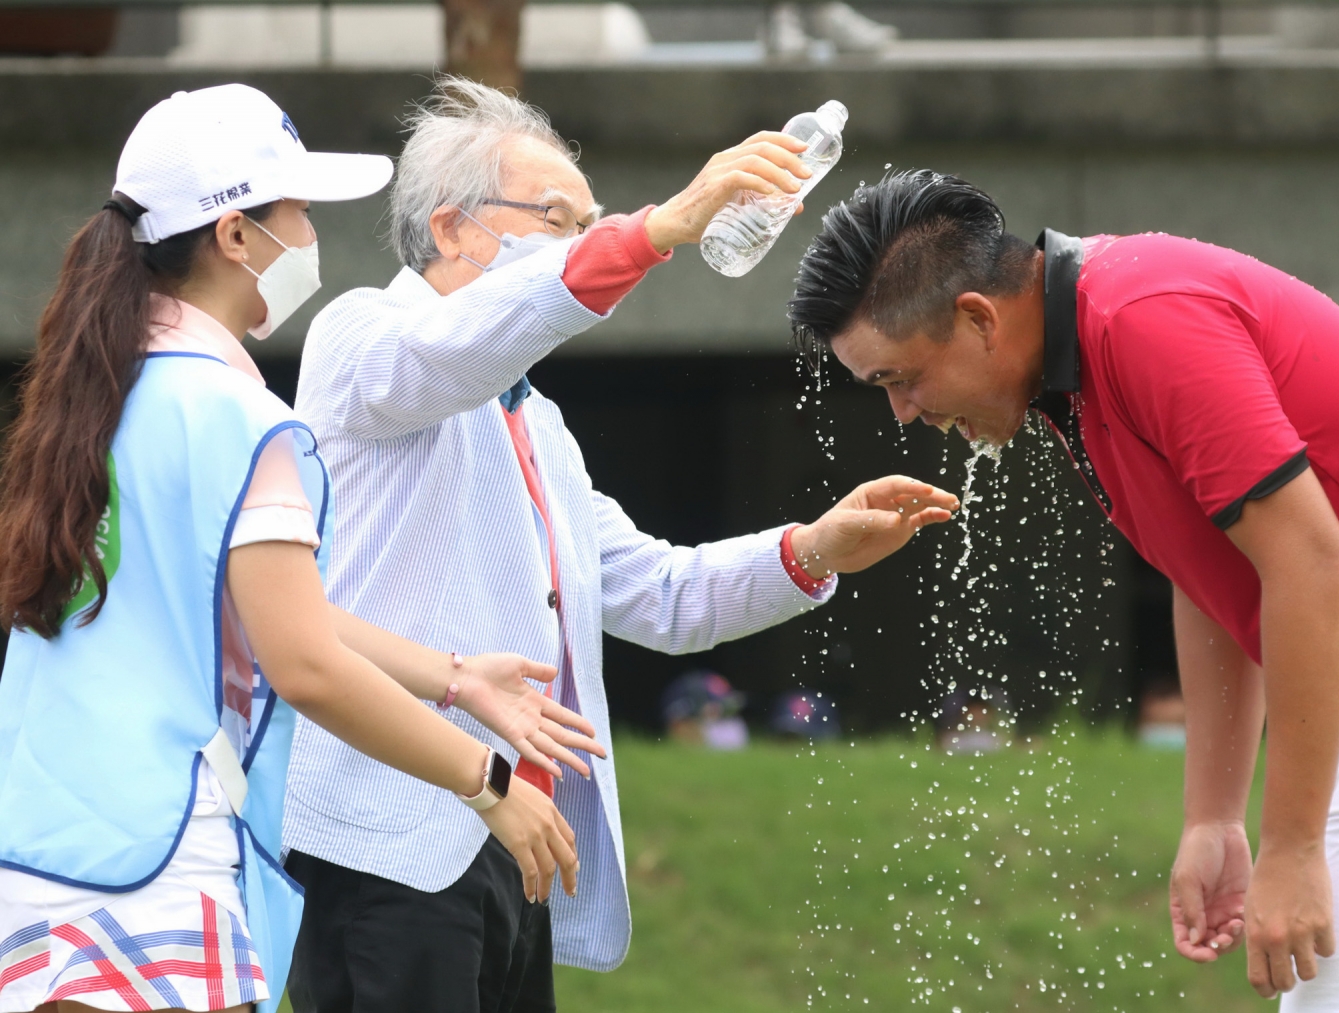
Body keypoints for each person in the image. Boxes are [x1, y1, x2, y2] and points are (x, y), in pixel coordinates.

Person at [786, 169, 1339, 1013]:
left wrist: (1291, 847)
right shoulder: (1075, 359)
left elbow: (1312, 564)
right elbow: (1212, 574)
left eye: (899, 378)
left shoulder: (1142, 319)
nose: (904, 415)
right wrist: (1215, 817)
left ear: (978, 320)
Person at [283, 77, 958, 1013]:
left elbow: (659, 593)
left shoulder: (539, 422)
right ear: (451, 229)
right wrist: (656, 229)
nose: (581, 240)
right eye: (558, 216)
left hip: (517, 841)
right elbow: (455, 351)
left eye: (591, 221)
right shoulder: (362, 333)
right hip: (386, 841)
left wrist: (814, 550)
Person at [0, 84, 594, 1013]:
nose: (313, 238)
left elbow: (285, 616)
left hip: (39, 859)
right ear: (236, 236)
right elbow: (307, 662)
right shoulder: (241, 420)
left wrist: (451, 675)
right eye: (300, 213)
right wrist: (486, 782)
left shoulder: (97, 401)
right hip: (162, 868)